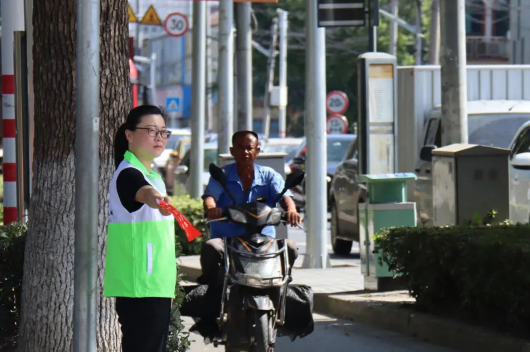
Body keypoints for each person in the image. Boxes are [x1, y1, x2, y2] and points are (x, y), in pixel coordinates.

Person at [104, 105, 176, 352]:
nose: (159, 137)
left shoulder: (151, 175)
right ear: (130, 135)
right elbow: (145, 194)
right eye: (151, 130)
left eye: (164, 132)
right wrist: (158, 200)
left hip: (154, 285)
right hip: (140, 287)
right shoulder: (129, 174)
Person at [198, 131, 301, 285]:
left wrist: (291, 211)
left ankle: (283, 284)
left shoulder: (269, 175)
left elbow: (285, 197)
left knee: (291, 247)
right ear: (232, 151)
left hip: (264, 241)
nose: (245, 152)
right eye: (240, 148)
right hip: (228, 241)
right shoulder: (222, 175)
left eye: (249, 148)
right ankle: (211, 289)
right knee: (210, 247)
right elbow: (210, 197)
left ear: (257, 151)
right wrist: (212, 208)